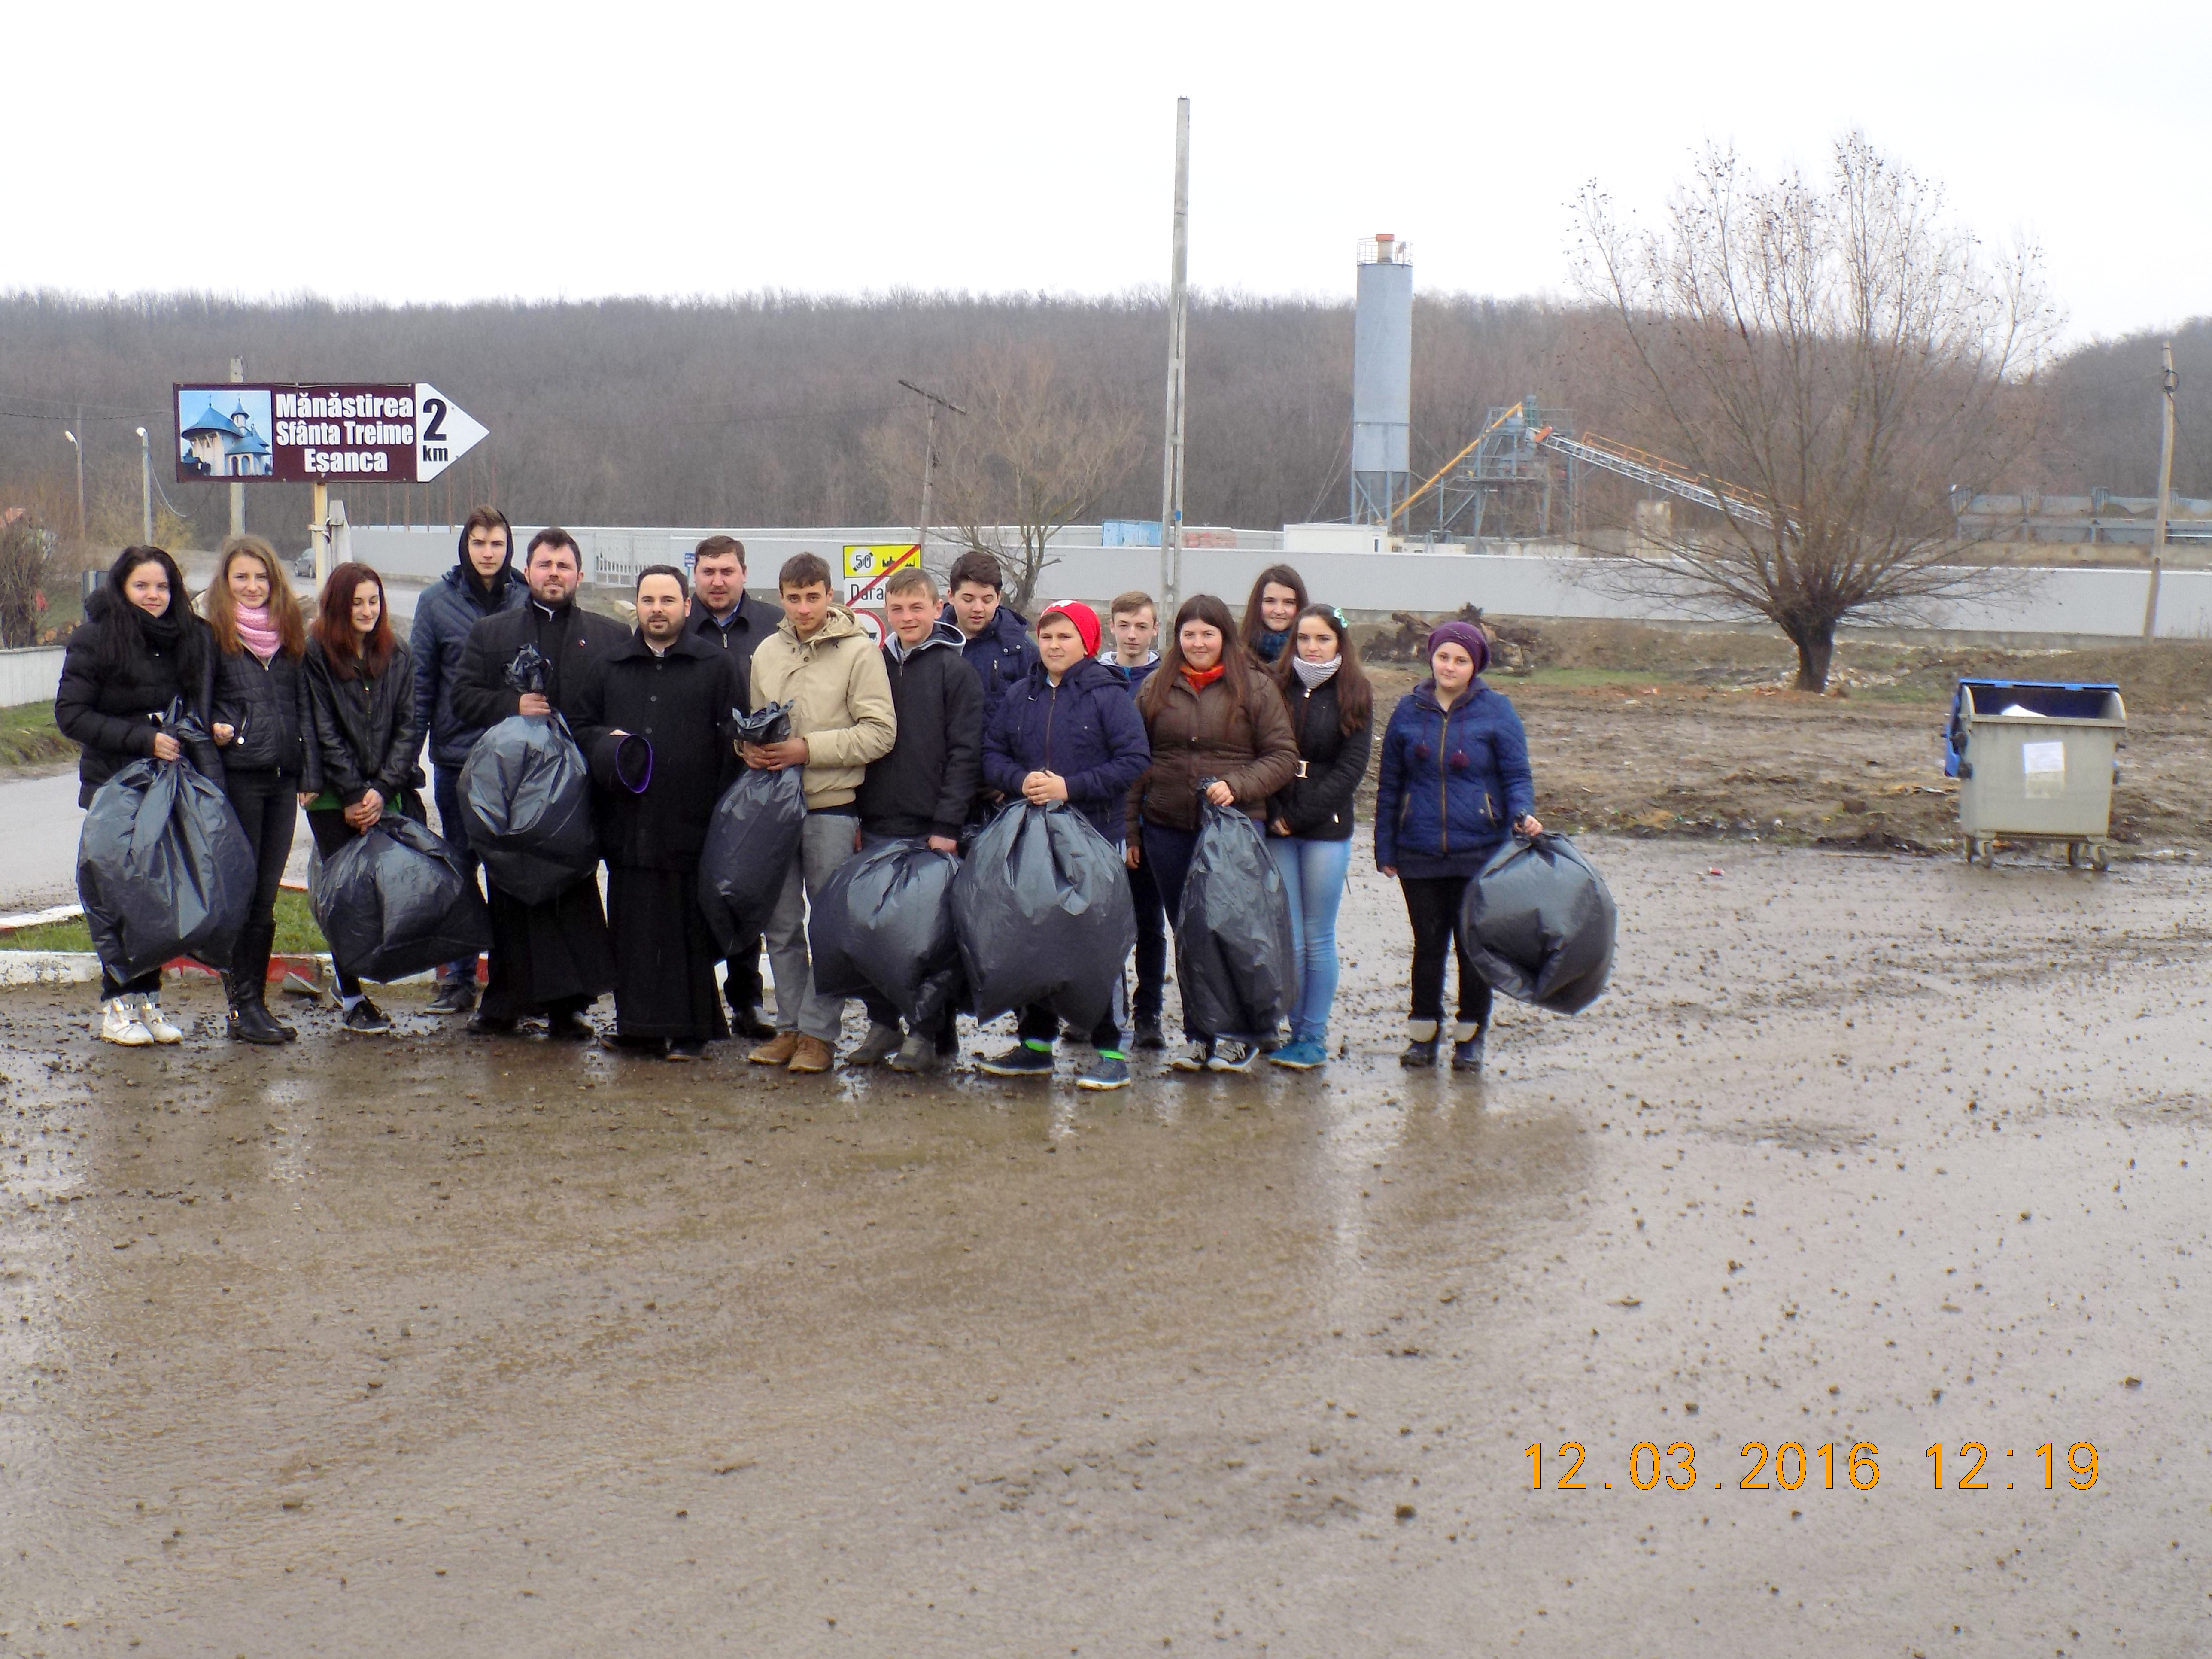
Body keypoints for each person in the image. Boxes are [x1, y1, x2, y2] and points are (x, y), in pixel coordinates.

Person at [449, 527, 624, 1040]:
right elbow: (462, 699)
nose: (554, 574)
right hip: (512, 789)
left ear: (579, 575)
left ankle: (567, 1008)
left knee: (571, 891)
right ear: (529, 572)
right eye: (545, 565)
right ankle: (503, 1003)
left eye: (564, 566)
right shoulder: (492, 633)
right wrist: (512, 705)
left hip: (576, 791)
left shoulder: (610, 636)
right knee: (508, 891)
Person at [570, 565, 742, 1060]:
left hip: (692, 825)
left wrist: (723, 815)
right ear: (637, 607)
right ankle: (639, 1027)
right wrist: (607, 744)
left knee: (688, 930)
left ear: (687, 607)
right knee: (633, 930)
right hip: (628, 825)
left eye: (668, 600)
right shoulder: (609, 666)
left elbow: (733, 745)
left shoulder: (715, 666)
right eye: (649, 600)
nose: (658, 609)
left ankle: (692, 1030)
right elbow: (580, 728)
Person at [978, 600, 1151, 1090]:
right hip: (1032, 835)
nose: (1054, 646)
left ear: (1087, 643)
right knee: (1032, 936)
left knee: (1097, 943)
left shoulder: (1109, 696)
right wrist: (1020, 780)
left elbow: (1134, 760)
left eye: (1065, 637)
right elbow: (991, 754)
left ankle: (1110, 1050)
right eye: (1048, 637)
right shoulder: (1020, 695)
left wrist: (1069, 788)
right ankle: (1035, 1045)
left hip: (1094, 836)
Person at [55, 546, 222, 1047]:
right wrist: (143, 738)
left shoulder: (187, 640)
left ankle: (148, 1001)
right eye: (142, 586)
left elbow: (192, 705)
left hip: (166, 790)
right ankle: (116, 1006)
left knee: (157, 899)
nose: (154, 597)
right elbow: (71, 715)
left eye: (163, 587)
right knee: (119, 898)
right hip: (113, 790)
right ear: (121, 588)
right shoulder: (95, 639)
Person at [1125, 593, 1297, 1075]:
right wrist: (1131, 831)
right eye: (1189, 634)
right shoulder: (1156, 687)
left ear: (1224, 636)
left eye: (1208, 634)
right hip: (1167, 829)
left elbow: (1282, 757)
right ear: (1177, 638)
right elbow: (1138, 762)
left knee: (1236, 934)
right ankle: (1200, 1036)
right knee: (1188, 936)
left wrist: (1236, 786)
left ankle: (1246, 1033)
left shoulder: (1256, 689)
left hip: (1235, 832)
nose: (1198, 643)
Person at [744, 553, 897, 1074]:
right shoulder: (765, 652)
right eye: (794, 597)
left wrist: (807, 749)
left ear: (830, 595)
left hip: (831, 806)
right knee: (781, 924)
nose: (804, 607)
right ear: (781, 597)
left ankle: (819, 1034)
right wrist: (750, 748)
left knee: (826, 927)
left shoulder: (860, 653)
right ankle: (789, 1027)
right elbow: (758, 718)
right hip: (771, 806)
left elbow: (880, 732)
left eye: (814, 596)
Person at [1373, 620, 1542, 1074]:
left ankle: (1470, 1038)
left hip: (1480, 852)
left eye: (1461, 660)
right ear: (1431, 657)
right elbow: (1389, 783)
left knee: (1473, 948)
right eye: (1443, 657)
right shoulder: (1407, 711)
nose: (1450, 666)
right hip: (1419, 851)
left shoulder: (1498, 711)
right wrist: (1385, 847)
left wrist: (1522, 813)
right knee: (1428, 946)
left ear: (1475, 665)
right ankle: (1422, 1036)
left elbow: (1516, 776)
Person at [849, 565, 983, 1073]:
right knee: (875, 930)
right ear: (886, 611)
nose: (907, 617)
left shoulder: (956, 670)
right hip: (877, 820)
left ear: (937, 607)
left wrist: (947, 826)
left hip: (933, 829)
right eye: (897, 609)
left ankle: (925, 1032)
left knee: (929, 937)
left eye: (916, 608)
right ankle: (883, 1023)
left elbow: (965, 755)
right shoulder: (871, 663)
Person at [410, 506, 528, 1015]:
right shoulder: (436, 604)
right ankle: (458, 977)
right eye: (479, 542)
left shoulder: (526, 600)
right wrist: (408, 756)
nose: (488, 552)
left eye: (497, 543)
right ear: (465, 546)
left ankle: (514, 975)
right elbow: (420, 686)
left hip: (517, 760)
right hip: (457, 758)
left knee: (513, 871)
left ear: (509, 547)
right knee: (459, 866)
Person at [301, 563, 422, 1034]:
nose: (367, 610)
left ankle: (361, 974)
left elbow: (409, 727)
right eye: (357, 602)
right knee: (344, 895)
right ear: (339, 605)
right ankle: (351, 994)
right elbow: (322, 727)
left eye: (374, 601)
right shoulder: (316, 654)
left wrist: (381, 790)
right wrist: (352, 792)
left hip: (384, 792)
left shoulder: (399, 654)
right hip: (334, 797)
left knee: (377, 891)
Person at [204, 534, 311, 1045]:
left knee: (266, 898)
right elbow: (196, 706)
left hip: (283, 780)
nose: (252, 587)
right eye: (241, 577)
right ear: (226, 583)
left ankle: (257, 1004)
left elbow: (304, 709)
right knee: (243, 897)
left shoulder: (290, 637)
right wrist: (215, 729)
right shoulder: (213, 639)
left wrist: (309, 772)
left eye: (261, 577)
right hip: (239, 780)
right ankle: (240, 1006)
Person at [1263, 605, 1374, 1071]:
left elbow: (1351, 769)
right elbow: (1259, 750)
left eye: (1322, 639)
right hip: (1277, 823)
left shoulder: (1355, 692)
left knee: (1317, 934)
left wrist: (1299, 816)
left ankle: (1313, 1034)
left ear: (1338, 643)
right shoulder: (1274, 685)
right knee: (1287, 936)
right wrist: (1275, 812)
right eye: (1304, 638)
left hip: (1325, 829)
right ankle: (1292, 1029)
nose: (1311, 646)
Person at [685, 534, 783, 1041]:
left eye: (727, 571)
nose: (718, 581)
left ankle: (746, 999)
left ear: (744, 573)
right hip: (694, 781)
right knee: (695, 892)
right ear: (694, 576)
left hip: (758, 781)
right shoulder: (680, 625)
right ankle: (698, 1000)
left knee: (747, 890)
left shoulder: (772, 625)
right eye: (708, 572)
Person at [1099, 590, 1168, 1048]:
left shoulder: (1166, 679)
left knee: (1149, 922)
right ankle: (1100, 1011)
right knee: (1100, 920)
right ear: (1112, 626)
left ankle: (1149, 1014)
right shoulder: (1094, 676)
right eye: (1124, 625)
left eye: (1141, 627)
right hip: (1100, 814)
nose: (1131, 635)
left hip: (1150, 817)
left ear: (1154, 630)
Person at [941, 549, 1039, 728]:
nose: (978, 608)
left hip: (997, 753)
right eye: (969, 600)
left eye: (987, 600)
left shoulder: (1020, 648)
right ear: (951, 596)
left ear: (999, 598)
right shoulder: (932, 642)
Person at [1239, 564, 1308, 666]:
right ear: (1257, 604)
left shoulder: (1312, 656)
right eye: (1270, 601)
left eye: (1289, 602)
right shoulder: (1236, 656)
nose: (1279, 611)